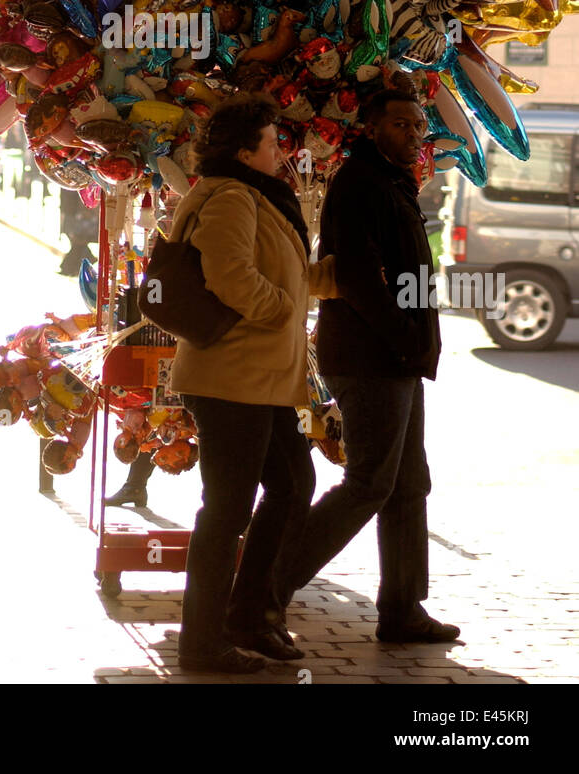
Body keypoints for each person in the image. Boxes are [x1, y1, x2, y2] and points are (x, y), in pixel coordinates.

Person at [274, 89, 461, 645]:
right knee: (369, 484)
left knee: (408, 485)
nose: (412, 132)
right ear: (371, 128)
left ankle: (403, 609)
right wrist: (403, 339)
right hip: (370, 357)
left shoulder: (394, 184)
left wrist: (410, 347)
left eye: (418, 124)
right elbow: (357, 276)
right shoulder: (360, 181)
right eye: (399, 123)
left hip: (397, 359)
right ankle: (264, 587)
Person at [170, 93, 336, 675]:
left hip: (264, 380)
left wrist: (319, 282)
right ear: (244, 151)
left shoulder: (256, 195)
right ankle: (202, 641)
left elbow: (269, 270)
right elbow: (231, 275)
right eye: (270, 141)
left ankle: (249, 614)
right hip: (230, 378)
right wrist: (284, 309)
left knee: (293, 484)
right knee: (226, 510)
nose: (279, 149)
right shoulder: (231, 196)